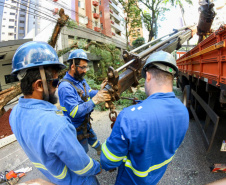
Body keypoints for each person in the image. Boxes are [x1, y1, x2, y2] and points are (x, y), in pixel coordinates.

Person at [9, 41, 101, 185]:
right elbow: (83, 167)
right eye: (55, 81)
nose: (58, 85)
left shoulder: (14, 114)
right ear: (39, 85)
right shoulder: (57, 125)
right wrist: (100, 167)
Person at [100, 50, 189, 185]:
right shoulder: (183, 111)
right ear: (172, 77)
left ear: (147, 76)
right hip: (154, 178)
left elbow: (108, 162)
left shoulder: (129, 117)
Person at [58, 49, 111, 155]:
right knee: (82, 151)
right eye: (82, 67)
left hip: (85, 123)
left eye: (86, 67)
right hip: (75, 129)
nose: (85, 70)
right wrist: (95, 100)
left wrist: (102, 91)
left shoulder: (80, 80)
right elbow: (75, 112)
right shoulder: (65, 87)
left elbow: (90, 92)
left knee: (94, 139)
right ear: (73, 66)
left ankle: (101, 152)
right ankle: (87, 168)